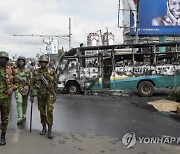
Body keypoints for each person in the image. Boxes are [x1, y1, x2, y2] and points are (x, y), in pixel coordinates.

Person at [30, 55, 57, 139]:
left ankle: (49, 129)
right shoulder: (36, 72)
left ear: (46, 63)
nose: (42, 63)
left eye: (44, 62)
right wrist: (32, 95)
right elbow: (32, 83)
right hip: (40, 94)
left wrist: (55, 93)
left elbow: (55, 83)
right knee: (42, 111)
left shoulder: (51, 71)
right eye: (41, 62)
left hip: (49, 94)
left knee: (49, 110)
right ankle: (44, 127)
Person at [0, 51, 14, 145]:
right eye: (1, 58)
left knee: (4, 118)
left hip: (5, 98)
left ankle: (3, 136)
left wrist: (12, 88)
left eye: (4, 59)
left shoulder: (10, 70)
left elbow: (16, 83)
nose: (3, 60)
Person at [14, 56, 31, 125]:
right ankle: (20, 117)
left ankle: (23, 115)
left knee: (25, 103)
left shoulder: (27, 70)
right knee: (19, 102)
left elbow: (30, 79)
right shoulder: (15, 70)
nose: (21, 62)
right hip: (18, 88)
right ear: (18, 62)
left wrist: (31, 89)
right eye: (20, 61)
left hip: (26, 88)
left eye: (22, 61)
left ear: (24, 62)